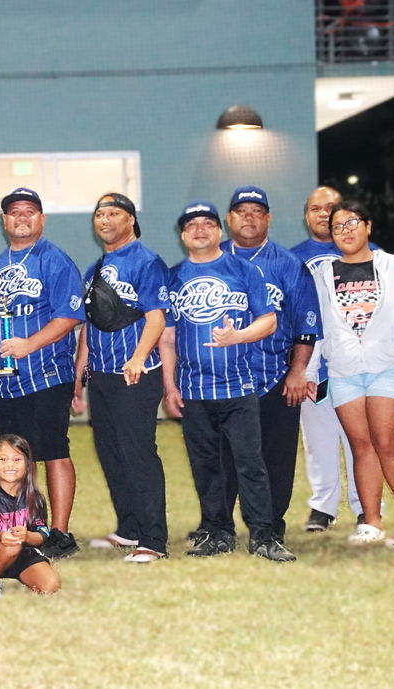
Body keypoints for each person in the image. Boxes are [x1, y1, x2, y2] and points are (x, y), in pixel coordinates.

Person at [159, 202, 291, 562]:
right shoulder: (173, 277)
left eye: (207, 223)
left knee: (250, 463)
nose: (200, 230)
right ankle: (218, 533)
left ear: (218, 230)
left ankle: (264, 535)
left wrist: (239, 336)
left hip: (238, 387)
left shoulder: (243, 270)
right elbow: (167, 338)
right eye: (192, 225)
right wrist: (169, 386)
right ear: (183, 234)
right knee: (206, 466)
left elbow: (270, 321)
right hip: (194, 390)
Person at [309, 203, 394, 548]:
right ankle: (371, 522)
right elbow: (316, 326)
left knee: (386, 441)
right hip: (344, 371)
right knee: (361, 447)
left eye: (353, 222)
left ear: (369, 226)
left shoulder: (392, 265)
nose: (346, 230)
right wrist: (313, 368)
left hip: (385, 367)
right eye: (338, 226)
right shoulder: (323, 274)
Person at [0, 187, 85, 559]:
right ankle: (22, 526)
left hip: (46, 374)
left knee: (53, 451)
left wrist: (30, 344)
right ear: (4, 220)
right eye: (14, 212)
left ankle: (59, 532)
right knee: (13, 456)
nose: (22, 217)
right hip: (5, 379)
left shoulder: (55, 260)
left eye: (30, 211)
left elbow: (69, 316)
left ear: (42, 219)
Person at [219, 186, 320, 541]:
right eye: (241, 211)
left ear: (268, 218)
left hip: (275, 374)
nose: (248, 217)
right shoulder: (211, 261)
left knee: (275, 457)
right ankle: (219, 528)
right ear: (229, 218)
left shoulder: (288, 264)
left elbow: (307, 324)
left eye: (256, 211)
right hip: (222, 378)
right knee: (223, 457)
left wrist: (298, 371)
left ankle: (271, 526)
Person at [73, 192, 171, 563]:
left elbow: (156, 317)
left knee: (138, 455)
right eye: (100, 213)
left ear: (131, 219)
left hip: (135, 375)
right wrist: (79, 373)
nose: (105, 219)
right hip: (102, 377)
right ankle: (129, 528)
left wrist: (139, 356)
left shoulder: (147, 261)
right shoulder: (95, 267)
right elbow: (90, 325)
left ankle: (154, 540)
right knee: (111, 454)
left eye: (114, 213)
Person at [290, 186, 365, 532]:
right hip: (312, 363)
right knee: (318, 438)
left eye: (331, 208)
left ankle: (366, 504)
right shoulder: (291, 259)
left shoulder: (369, 252)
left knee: (361, 437)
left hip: (357, 363)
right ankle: (323, 507)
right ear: (306, 216)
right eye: (315, 209)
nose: (323, 214)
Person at [0, 434, 62, 599]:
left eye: (17, 459)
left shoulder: (35, 498)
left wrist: (28, 535)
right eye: (3, 459)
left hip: (24, 552)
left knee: (50, 585)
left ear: (28, 464)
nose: (10, 465)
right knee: (12, 544)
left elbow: (42, 534)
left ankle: (19, 572)